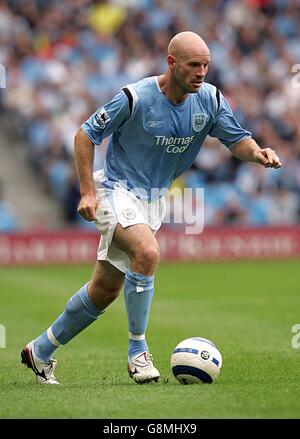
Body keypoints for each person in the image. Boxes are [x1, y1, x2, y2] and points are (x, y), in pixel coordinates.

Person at [21, 31, 281, 385]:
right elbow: (86, 134)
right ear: (171, 63)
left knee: (105, 290)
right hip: (117, 189)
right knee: (147, 253)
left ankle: (39, 351)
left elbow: (237, 141)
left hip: (155, 199)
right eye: (193, 65)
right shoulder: (135, 97)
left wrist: (259, 154)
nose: (202, 72)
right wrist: (87, 192)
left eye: (206, 65)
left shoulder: (210, 100)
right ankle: (137, 353)